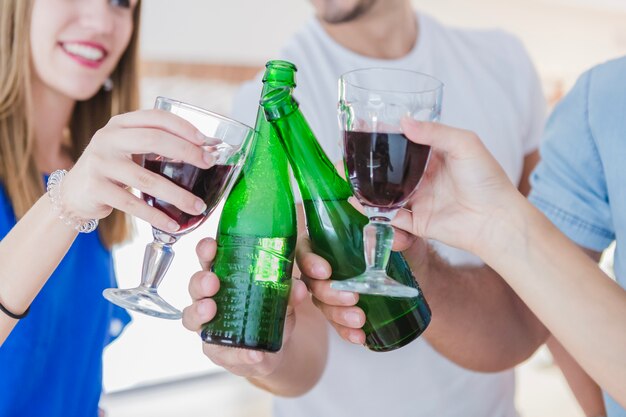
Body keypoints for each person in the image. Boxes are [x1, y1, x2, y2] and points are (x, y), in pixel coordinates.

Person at [181, 1, 606, 416]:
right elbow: (301, 350)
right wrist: (265, 359)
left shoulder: (504, 62)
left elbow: (554, 280)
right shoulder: (273, 102)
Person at [0, 1, 217, 416]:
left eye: (121, 2)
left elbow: (66, 373)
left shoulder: (96, 175)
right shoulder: (79, 190)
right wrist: (65, 203)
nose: (101, 21)